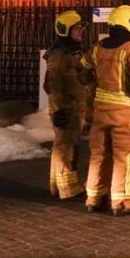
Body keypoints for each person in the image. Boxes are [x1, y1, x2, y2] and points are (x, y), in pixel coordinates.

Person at [79, 5, 130, 216]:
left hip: (100, 111)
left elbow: (83, 70)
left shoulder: (97, 48)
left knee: (98, 155)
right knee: (124, 157)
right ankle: (122, 202)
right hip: (124, 112)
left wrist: (92, 85)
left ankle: (93, 198)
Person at [44, 10, 89, 199]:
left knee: (65, 146)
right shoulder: (58, 54)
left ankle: (58, 186)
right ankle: (68, 190)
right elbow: (53, 84)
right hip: (66, 108)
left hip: (73, 108)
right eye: (76, 28)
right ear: (65, 30)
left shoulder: (72, 51)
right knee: (65, 148)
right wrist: (59, 110)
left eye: (80, 28)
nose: (80, 31)